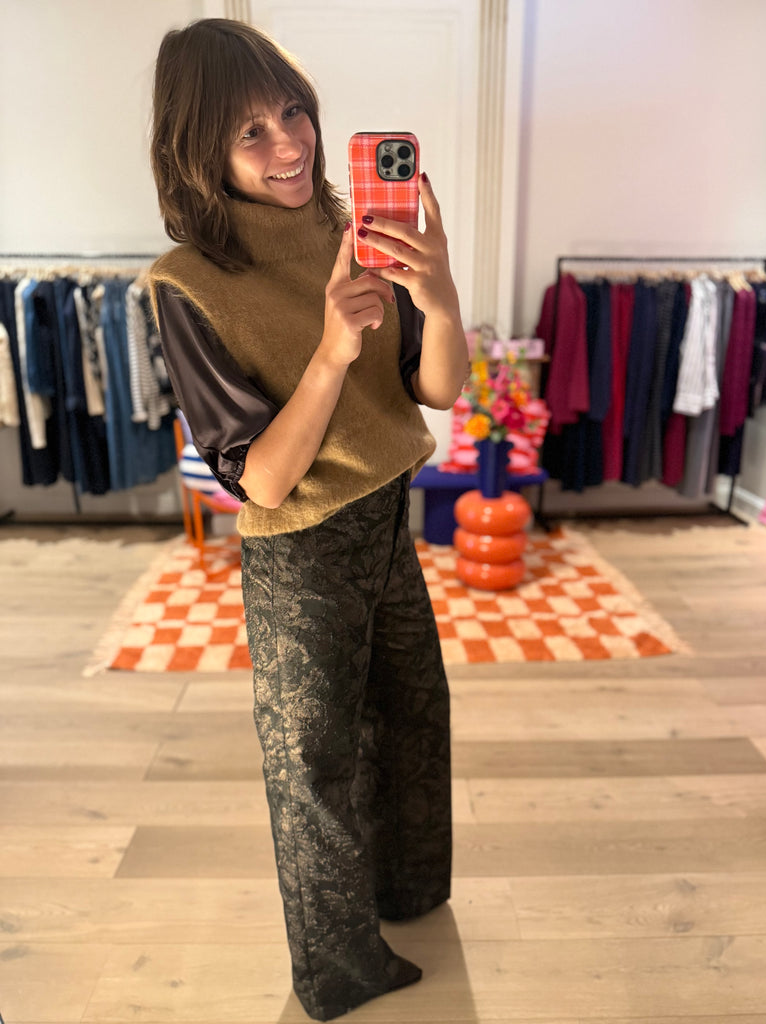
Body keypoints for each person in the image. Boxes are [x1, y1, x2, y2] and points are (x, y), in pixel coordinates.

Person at [148, 17, 469, 1021]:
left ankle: (410, 891)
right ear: (196, 148)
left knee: (412, 717)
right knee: (313, 761)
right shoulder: (188, 284)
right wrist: (332, 349)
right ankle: (338, 972)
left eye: (295, 112)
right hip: (300, 551)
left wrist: (441, 293)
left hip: (388, 519)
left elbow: (437, 390)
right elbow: (265, 482)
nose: (289, 144)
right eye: (250, 131)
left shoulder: (356, 225)